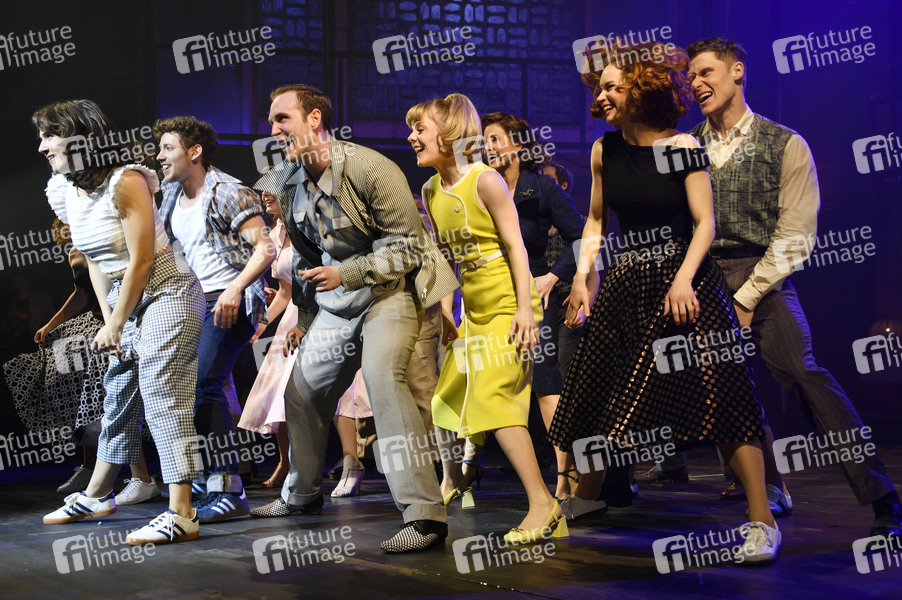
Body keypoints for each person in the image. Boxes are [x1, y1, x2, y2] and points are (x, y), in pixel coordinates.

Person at [549, 40, 780, 563]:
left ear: (640, 89)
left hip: (686, 286)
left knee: (725, 397)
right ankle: (586, 497)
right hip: (628, 284)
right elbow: (594, 220)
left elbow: (705, 223)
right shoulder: (604, 150)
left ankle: (761, 517)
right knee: (598, 392)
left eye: (612, 86)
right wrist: (583, 276)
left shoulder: (682, 146)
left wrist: (682, 280)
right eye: (599, 87)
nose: (601, 96)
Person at [686, 37, 902, 537]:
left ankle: (882, 498)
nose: (695, 83)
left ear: (737, 71)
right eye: (691, 76)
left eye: (705, 72)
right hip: (706, 277)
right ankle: (769, 488)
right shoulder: (687, 146)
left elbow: (796, 236)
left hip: (765, 275)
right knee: (725, 389)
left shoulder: (785, 143)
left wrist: (746, 297)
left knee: (804, 373)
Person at [250, 84, 458, 554]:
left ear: (315, 119)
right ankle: (301, 494)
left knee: (385, 381)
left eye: (282, 118)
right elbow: (305, 258)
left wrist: (345, 272)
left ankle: (424, 516)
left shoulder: (370, 168)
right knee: (301, 391)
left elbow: (407, 249)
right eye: (271, 120)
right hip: (338, 301)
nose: (274, 129)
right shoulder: (285, 180)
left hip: (394, 291)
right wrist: (305, 318)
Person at [36, 99, 204, 544]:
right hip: (124, 296)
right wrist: (110, 320)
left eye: (49, 136)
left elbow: (143, 259)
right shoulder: (65, 190)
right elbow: (94, 261)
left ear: (79, 137)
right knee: (119, 393)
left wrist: (117, 321)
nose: (41, 147)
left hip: (168, 289)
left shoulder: (125, 181)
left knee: (162, 392)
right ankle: (97, 495)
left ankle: (182, 512)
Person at [407, 92, 566, 544]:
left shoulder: (485, 180)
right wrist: (446, 308)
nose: (412, 137)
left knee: (496, 400)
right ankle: (459, 479)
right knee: (450, 397)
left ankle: (543, 505)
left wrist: (524, 310)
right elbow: (445, 257)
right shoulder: (431, 191)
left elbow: (516, 247)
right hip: (473, 310)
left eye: (420, 129)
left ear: (450, 132)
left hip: (507, 302)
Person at [154, 116, 275, 523]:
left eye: (168, 148)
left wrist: (235, 288)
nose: (160, 156)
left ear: (195, 151)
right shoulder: (171, 194)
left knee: (205, 383)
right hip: (190, 301)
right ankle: (206, 480)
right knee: (189, 390)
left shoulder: (227, 192)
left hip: (229, 300)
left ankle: (229, 488)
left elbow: (265, 249)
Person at [481, 112, 585, 502]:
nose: (488, 147)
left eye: (495, 139)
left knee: (544, 383)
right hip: (491, 294)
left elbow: (583, 238)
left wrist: (554, 276)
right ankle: (463, 474)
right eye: (484, 140)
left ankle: (564, 477)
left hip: (535, 294)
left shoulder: (541, 188)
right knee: (490, 385)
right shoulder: (480, 186)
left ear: (518, 145)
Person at [238, 190, 296, 489]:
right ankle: (286, 462)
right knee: (277, 391)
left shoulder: (307, 225)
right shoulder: (274, 234)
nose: (264, 193)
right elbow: (285, 293)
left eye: (273, 186)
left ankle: (348, 460)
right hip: (291, 318)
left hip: (319, 312)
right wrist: (260, 327)